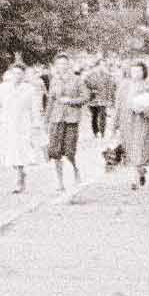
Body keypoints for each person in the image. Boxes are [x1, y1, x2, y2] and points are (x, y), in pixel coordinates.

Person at [0, 62, 48, 193]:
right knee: (9, 151)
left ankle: (19, 178)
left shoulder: (29, 89)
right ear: (11, 74)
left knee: (20, 151)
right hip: (7, 123)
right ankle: (20, 172)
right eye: (15, 73)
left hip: (23, 124)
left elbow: (34, 108)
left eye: (20, 74)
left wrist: (36, 123)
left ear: (24, 75)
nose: (17, 76)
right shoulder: (3, 88)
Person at [45, 52, 88, 193]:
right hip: (56, 118)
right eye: (59, 64)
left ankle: (75, 170)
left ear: (69, 65)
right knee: (55, 151)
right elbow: (51, 101)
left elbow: (86, 96)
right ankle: (60, 181)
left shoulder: (77, 80)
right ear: (56, 66)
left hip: (71, 119)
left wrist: (71, 101)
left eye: (64, 63)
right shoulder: (54, 80)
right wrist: (46, 120)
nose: (62, 66)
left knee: (69, 151)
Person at [116, 60, 149, 189]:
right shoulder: (124, 86)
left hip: (141, 120)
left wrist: (146, 108)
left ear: (144, 72)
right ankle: (137, 174)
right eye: (133, 71)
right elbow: (118, 105)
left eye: (138, 71)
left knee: (140, 146)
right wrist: (114, 125)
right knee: (130, 148)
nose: (135, 73)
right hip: (126, 120)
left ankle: (137, 176)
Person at [84, 53, 116, 139]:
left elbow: (111, 87)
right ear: (97, 66)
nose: (102, 67)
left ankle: (102, 132)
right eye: (101, 65)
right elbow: (85, 84)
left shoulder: (108, 76)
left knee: (102, 115)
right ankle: (95, 132)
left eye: (104, 65)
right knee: (94, 116)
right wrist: (90, 91)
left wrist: (110, 99)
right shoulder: (90, 75)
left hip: (103, 98)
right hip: (93, 99)